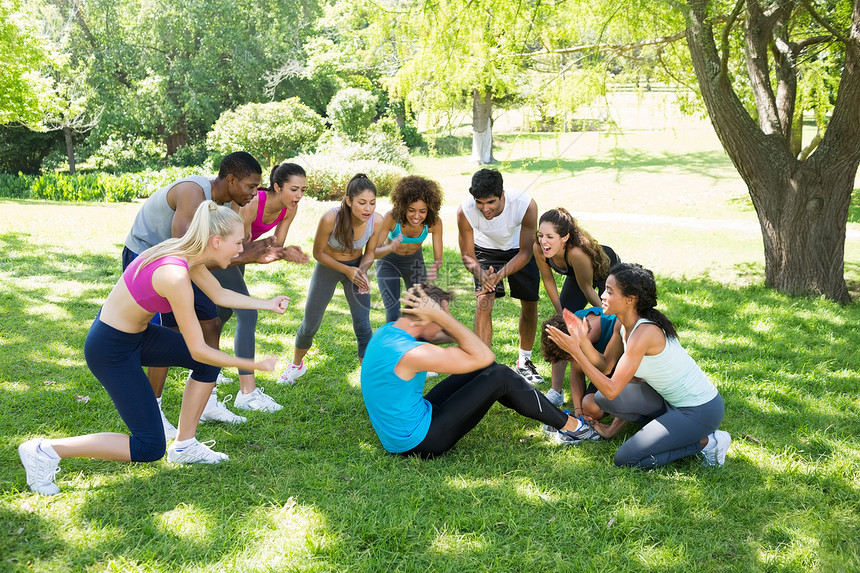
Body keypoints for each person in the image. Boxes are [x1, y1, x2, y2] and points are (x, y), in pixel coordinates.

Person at [19, 202, 289, 495]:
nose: (240, 250)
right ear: (216, 241)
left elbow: (219, 293)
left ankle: (185, 445)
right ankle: (44, 450)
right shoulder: (174, 275)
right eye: (238, 243)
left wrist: (267, 303)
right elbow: (198, 348)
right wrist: (252, 365)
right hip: (111, 350)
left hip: (138, 336)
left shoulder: (186, 252)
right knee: (149, 446)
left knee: (208, 365)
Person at [122, 151, 271, 437]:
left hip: (181, 260)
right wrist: (247, 257)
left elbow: (215, 252)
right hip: (146, 256)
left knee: (212, 322)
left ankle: (207, 400)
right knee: (167, 331)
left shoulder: (229, 203)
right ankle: (154, 408)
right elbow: (183, 245)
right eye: (251, 186)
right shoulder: (193, 192)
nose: (255, 193)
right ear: (230, 180)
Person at [360, 284, 599, 459]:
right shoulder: (413, 353)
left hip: (403, 428)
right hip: (420, 441)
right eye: (443, 318)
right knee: (502, 376)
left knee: (489, 370)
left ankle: (555, 419)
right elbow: (484, 353)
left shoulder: (390, 332)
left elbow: (472, 352)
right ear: (428, 318)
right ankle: (574, 428)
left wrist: (438, 318)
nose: (447, 321)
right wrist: (441, 316)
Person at [546, 263, 731, 468]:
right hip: (668, 402)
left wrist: (576, 352)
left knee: (626, 459)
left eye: (609, 291)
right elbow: (606, 366)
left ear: (630, 300)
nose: (603, 296)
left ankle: (709, 442)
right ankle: (670, 429)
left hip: (700, 409)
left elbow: (612, 389)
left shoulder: (644, 333)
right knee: (601, 399)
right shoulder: (621, 324)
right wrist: (583, 341)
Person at [211, 163, 310, 413]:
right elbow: (242, 246)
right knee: (248, 313)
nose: (298, 196)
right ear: (277, 187)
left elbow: (275, 244)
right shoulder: (254, 202)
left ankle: (209, 366)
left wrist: (286, 252)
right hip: (224, 252)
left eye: (303, 190)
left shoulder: (290, 209)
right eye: (294, 189)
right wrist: (279, 252)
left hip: (238, 253)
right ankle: (247, 392)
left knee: (223, 313)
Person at [277, 173, 384, 385]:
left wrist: (361, 271)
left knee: (363, 325)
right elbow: (318, 253)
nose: (368, 209)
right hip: (328, 267)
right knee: (310, 323)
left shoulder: (377, 220)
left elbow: (370, 252)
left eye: (372, 203)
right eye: (362, 203)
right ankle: (296, 365)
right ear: (349, 201)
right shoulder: (330, 218)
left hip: (356, 269)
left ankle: (367, 376)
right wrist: (346, 270)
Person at [457, 169, 543, 385]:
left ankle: (524, 361)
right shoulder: (465, 211)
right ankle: (482, 365)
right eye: (480, 202)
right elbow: (467, 255)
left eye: (491, 202)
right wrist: (481, 273)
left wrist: (501, 275)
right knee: (483, 300)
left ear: (502, 195)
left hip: (518, 249)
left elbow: (525, 251)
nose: (485, 209)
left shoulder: (526, 205)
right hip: (485, 249)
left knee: (530, 303)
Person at [534, 208, 620, 405]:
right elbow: (548, 281)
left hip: (607, 272)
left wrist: (614, 317)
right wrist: (560, 315)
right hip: (578, 276)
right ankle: (556, 392)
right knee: (561, 328)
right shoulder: (539, 248)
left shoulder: (577, 253)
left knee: (611, 321)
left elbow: (589, 291)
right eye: (541, 235)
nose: (543, 241)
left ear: (564, 237)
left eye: (550, 236)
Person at [540, 311, 628, 439]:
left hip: (627, 373)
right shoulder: (575, 327)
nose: (572, 362)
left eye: (570, 357)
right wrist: (578, 412)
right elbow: (576, 371)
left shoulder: (615, 325)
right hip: (603, 375)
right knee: (589, 407)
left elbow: (606, 368)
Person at [374, 175, 444, 323]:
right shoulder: (392, 217)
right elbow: (374, 250)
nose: (416, 216)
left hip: (414, 264)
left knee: (417, 309)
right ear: (403, 206)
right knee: (393, 312)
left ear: (430, 209)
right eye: (411, 210)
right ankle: (392, 344)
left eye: (422, 211)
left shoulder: (434, 223)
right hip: (388, 262)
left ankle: (412, 345)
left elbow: (438, 259)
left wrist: (434, 268)